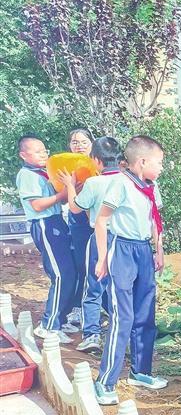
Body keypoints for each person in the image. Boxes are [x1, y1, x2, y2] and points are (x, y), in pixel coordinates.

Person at [92, 135, 168, 405]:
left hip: (143, 251)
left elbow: (154, 221)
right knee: (123, 317)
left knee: (146, 315)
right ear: (142, 161)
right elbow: (102, 221)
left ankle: (141, 371)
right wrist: (102, 258)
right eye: (159, 162)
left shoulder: (151, 186)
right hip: (122, 250)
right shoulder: (120, 183)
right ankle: (105, 381)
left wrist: (158, 250)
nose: (161, 167)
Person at [61, 136, 122, 353]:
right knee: (120, 289)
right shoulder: (128, 180)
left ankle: (91, 335)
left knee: (94, 287)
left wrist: (69, 185)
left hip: (101, 238)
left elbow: (76, 208)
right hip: (125, 241)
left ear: (96, 160)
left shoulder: (94, 183)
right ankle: (122, 334)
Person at [15, 134, 78, 342]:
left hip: (56, 221)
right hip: (44, 224)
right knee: (60, 274)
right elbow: (37, 205)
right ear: (24, 155)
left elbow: (56, 203)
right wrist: (63, 194)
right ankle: (48, 325)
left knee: (70, 272)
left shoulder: (42, 173)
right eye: (38, 151)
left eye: (45, 150)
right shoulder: (27, 175)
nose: (44, 154)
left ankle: (61, 318)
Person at [66, 128, 95, 329]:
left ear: (91, 144)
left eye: (84, 142)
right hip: (78, 220)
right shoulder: (64, 166)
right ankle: (77, 308)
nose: (79, 146)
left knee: (100, 265)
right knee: (80, 264)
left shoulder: (98, 164)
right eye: (75, 142)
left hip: (99, 219)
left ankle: (96, 306)